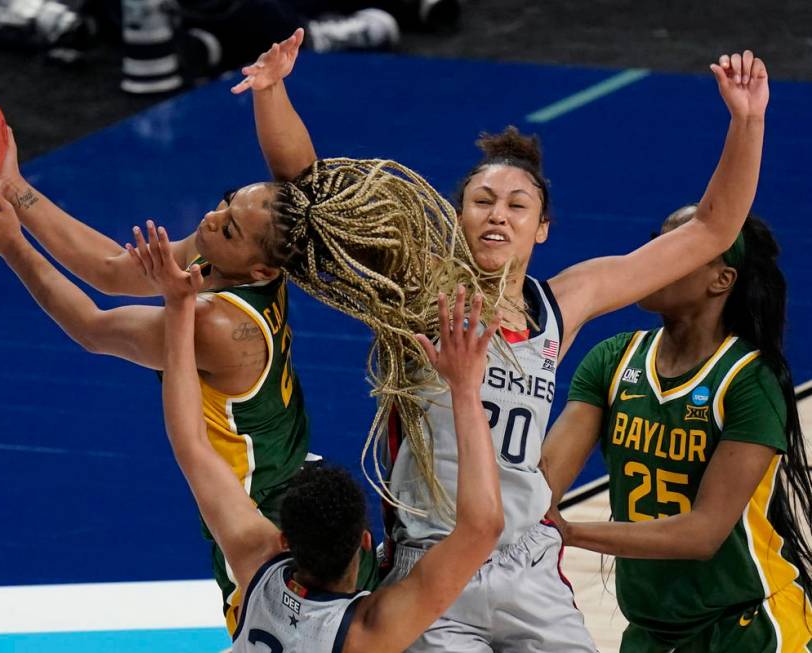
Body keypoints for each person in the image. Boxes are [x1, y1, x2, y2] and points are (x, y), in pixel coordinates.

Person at [236, 34, 769, 652]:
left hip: (527, 563)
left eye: (518, 206)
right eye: (482, 201)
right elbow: (311, 191)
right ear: (456, 216)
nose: (498, 214)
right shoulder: (416, 288)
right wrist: (272, 90)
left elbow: (709, 229)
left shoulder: (562, 304)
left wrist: (747, 121)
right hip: (434, 565)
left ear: (541, 229)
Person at [0, 147, 503, 634]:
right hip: (300, 479)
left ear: (260, 271)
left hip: (258, 512)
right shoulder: (235, 256)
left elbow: (93, 328)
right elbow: (111, 268)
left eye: (227, 224)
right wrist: (16, 188)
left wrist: (11, 247)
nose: (208, 219)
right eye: (224, 202)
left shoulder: (217, 326)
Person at [152, 204, 504, 653]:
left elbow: (191, 443)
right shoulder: (367, 634)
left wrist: (180, 309)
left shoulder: (257, 567)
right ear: (363, 543)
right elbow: (484, 525)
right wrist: (467, 391)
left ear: (283, 539)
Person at [541, 211, 812, 652]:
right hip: (650, 632)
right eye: (657, 241)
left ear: (721, 280)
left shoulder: (750, 380)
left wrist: (569, 532)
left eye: (683, 245)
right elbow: (543, 484)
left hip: (748, 628)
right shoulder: (612, 359)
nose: (654, 256)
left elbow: (702, 534)